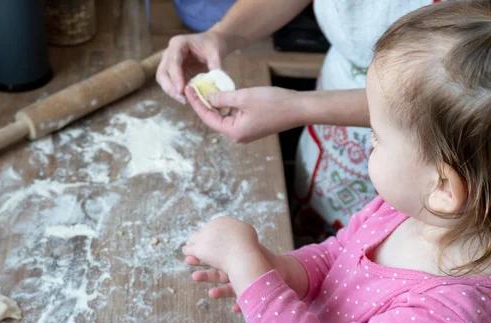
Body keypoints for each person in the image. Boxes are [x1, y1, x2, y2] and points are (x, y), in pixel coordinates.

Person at [182, 1, 491, 323]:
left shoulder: (450, 322)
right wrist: (276, 271)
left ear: (444, 188)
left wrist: (245, 263)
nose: (371, 143)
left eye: (377, 136)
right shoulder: (409, 211)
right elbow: (336, 258)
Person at [157, 0, 444, 230]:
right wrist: (220, 34)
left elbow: (462, 97)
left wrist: (298, 107)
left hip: (429, 152)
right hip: (331, 112)